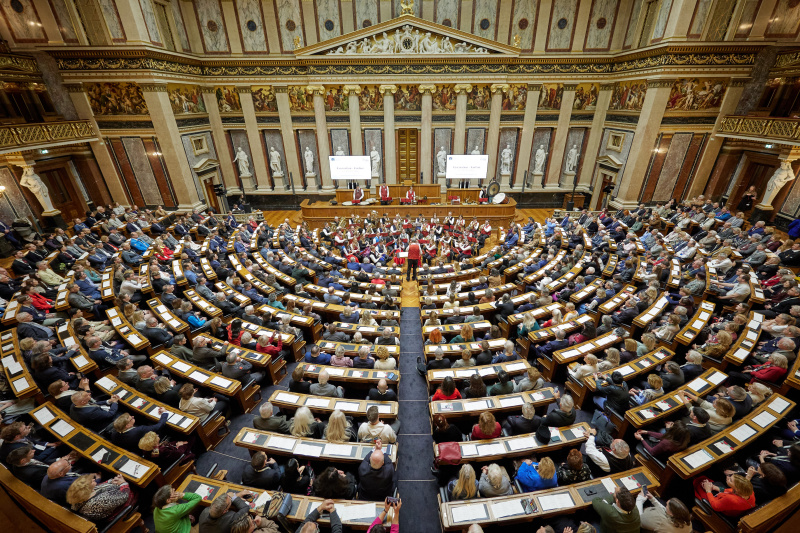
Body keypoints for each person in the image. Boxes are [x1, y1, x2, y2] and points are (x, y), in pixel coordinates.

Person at [66, 473, 132, 521]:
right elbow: (124, 495)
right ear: (86, 491)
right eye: (90, 481)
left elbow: (99, 487)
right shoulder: (99, 502)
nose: (93, 479)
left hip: (112, 495)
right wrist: (123, 483)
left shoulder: (81, 495)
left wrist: (111, 482)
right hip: (118, 503)